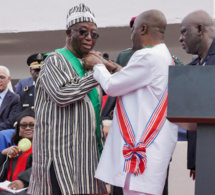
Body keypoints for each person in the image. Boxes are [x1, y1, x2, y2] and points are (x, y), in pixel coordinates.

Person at [83, 9, 178, 195]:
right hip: (150, 150)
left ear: (143, 29)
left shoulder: (147, 56)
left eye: (133, 30)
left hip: (141, 150)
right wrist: (108, 65)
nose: (131, 36)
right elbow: (133, 78)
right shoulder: (164, 56)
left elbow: (111, 87)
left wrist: (97, 65)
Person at [28, 3, 107, 195]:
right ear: (68, 33)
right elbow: (62, 95)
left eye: (93, 34)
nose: (89, 37)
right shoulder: (55, 59)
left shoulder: (88, 64)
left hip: (86, 156)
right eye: (83, 32)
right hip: (60, 157)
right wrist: (97, 71)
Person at [179, 10, 215, 180]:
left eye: (184, 31)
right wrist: (195, 160)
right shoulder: (191, 68)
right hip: (204, 157)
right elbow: (193, 116)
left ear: (200, 29)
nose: (180, 38)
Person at [0, 108, 35, 195]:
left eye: (32, 125)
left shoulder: (44, 149)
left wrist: (23, 181)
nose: (27, 128)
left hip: (30, 188)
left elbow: (41, 169)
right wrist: (3, 154)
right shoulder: (13, 150)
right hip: (9, 188)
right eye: (23, 125)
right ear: (18, 130)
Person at [0, 66, 18, 131]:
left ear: (8, 79)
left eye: (2, 77)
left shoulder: (15, 99)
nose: (0, 80)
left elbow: (11, 122)